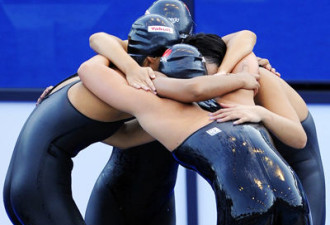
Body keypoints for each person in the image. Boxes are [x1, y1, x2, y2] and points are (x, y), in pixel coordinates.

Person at [77, 42, 312, 224]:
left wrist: (127, 63)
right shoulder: (236, 94)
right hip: (293, 194)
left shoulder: (157, 110)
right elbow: (245, 42)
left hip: (247, 201)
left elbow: (89, 70)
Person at [2, 14, 180, 225]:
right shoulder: (121, 88)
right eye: (169, 60)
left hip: (19, 187)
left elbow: (122, 138)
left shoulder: (104, 70)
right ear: (150, 60)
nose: (171, 70)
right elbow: (183, 103)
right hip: (40, 189)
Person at [182, 33, 326, 225]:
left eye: (206, 72)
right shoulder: (200, 86)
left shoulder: (261, 78)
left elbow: (298, 138)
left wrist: (261, 113)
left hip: (300, 172)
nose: (204, 82)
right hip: (263, 176)